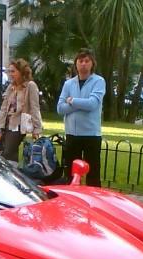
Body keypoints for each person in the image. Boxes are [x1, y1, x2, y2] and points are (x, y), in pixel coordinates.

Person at [57, 48, 106, 186]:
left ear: (92, 63)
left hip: (91, 134)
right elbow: (60, 108)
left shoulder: (98, 81)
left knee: (93, 173)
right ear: (76, 64)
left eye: (86, 61)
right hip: (72, 133)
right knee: (71, 173)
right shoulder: (69, 83)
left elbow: (92, 104)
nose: (83, 64)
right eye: (80, 61)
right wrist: (78, 104)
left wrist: (72, 101)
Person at [0, 59, 42, 166]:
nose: (10, 74)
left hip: (19, 124)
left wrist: (37, 128)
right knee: (7, 152)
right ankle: (13, 175)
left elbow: (35, 108)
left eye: (13, 71)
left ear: (21, 72)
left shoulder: (30, 86)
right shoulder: (10, 87)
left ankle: (10, 173)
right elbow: (3, 108)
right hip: (7, 123)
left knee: (7, 152)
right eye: (9, 72)